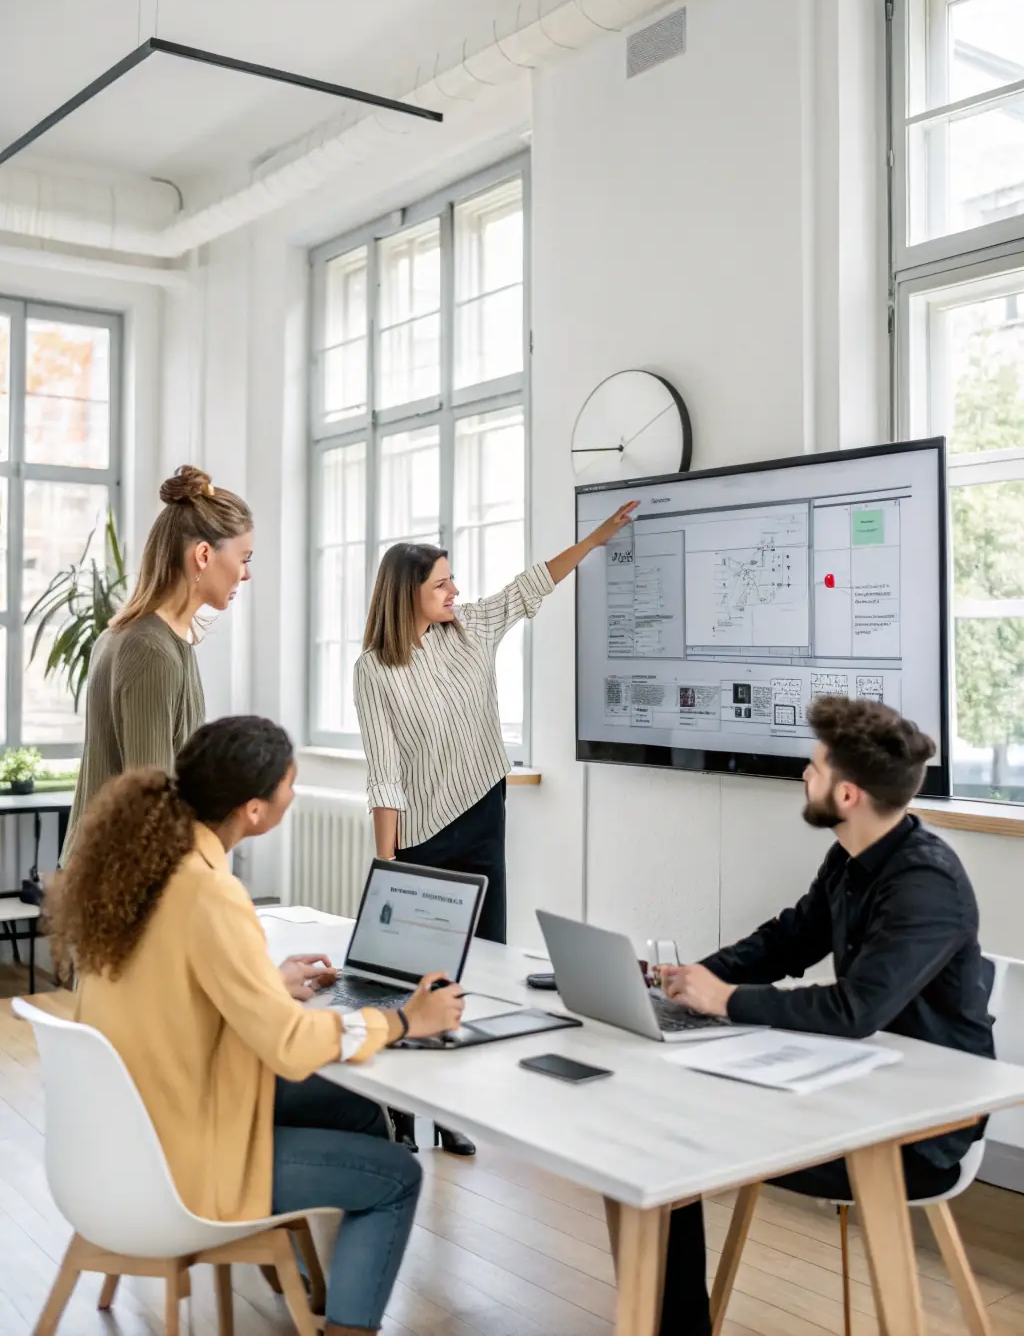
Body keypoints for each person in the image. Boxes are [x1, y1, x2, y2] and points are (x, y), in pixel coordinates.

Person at [48, 715, 464, 1336]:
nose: (293, 794)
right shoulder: (212, 893)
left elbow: (178, 990)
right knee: (397, 1175)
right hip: (182, 1159)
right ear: (254, 809)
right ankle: (343, 1323)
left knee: (353, 1107)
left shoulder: (150, 869)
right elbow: (289, 1047)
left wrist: (265, 984)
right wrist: (403, 1019)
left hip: (129, 1131)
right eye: (289, 784)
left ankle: (302, 1277)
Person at [653, 696, 995, 1336]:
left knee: (679, 1148)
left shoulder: (927, 885)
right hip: (854, 1082)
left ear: (847, 795)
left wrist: (723, 1000)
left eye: (814, 768)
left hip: (920, 1126)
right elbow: (788, 940)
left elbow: (853, 1008)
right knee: (675, 1130)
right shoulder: (852, 858)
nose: (803, 777)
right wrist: (695, 978)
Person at [354, 502, 637, 1156]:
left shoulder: (473, 626)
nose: (456, 591)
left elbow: (530, 584)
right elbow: (385, 774)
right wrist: (388, 866)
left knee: (473, 971)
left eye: (453, 580)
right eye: (442, 584)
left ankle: (452, 1108)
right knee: (416, 983)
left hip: (483, 818)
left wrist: (594, 538)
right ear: (409, 596)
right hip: (420, 838)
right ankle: (399, 1110)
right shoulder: (375, 670)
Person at [61, 465, 253, 861]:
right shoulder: (150, 650)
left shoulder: (134, 637)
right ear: (203, 555)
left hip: (103, 877)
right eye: (244, 558)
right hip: (120, 885)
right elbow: (152, 808)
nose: (246, 574)